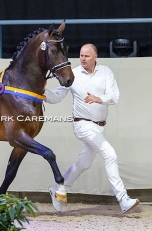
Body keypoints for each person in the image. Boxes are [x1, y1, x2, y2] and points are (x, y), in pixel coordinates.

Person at [44, 44, 140, 213]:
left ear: (96, 57)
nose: (83, 58)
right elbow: (56, 96)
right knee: (110, 154)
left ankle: (58, 188)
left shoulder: (106, 72)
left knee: (84, 163)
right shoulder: (72, 74)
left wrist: (98, 98)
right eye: (81, 55)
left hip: (99, 127)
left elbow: (114, 96)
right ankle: (123, 199)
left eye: (87, 56)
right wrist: (42, 90)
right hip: (82, 125)